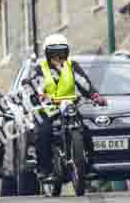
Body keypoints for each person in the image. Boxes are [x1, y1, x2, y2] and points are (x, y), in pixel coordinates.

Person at [31, 34, 106, 178]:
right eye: (54, 52)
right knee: (43, 131)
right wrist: (39, 96)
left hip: (69, 105)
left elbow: (84, 83)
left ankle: (89, 166)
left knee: (84, 128)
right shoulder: (40, 68)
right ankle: (44, 169)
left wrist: (95, 96)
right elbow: (35, 87)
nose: (58, 56)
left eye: (61, 52)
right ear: (47, 53)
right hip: (48, 108)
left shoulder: (72, 66)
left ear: (67, 52)